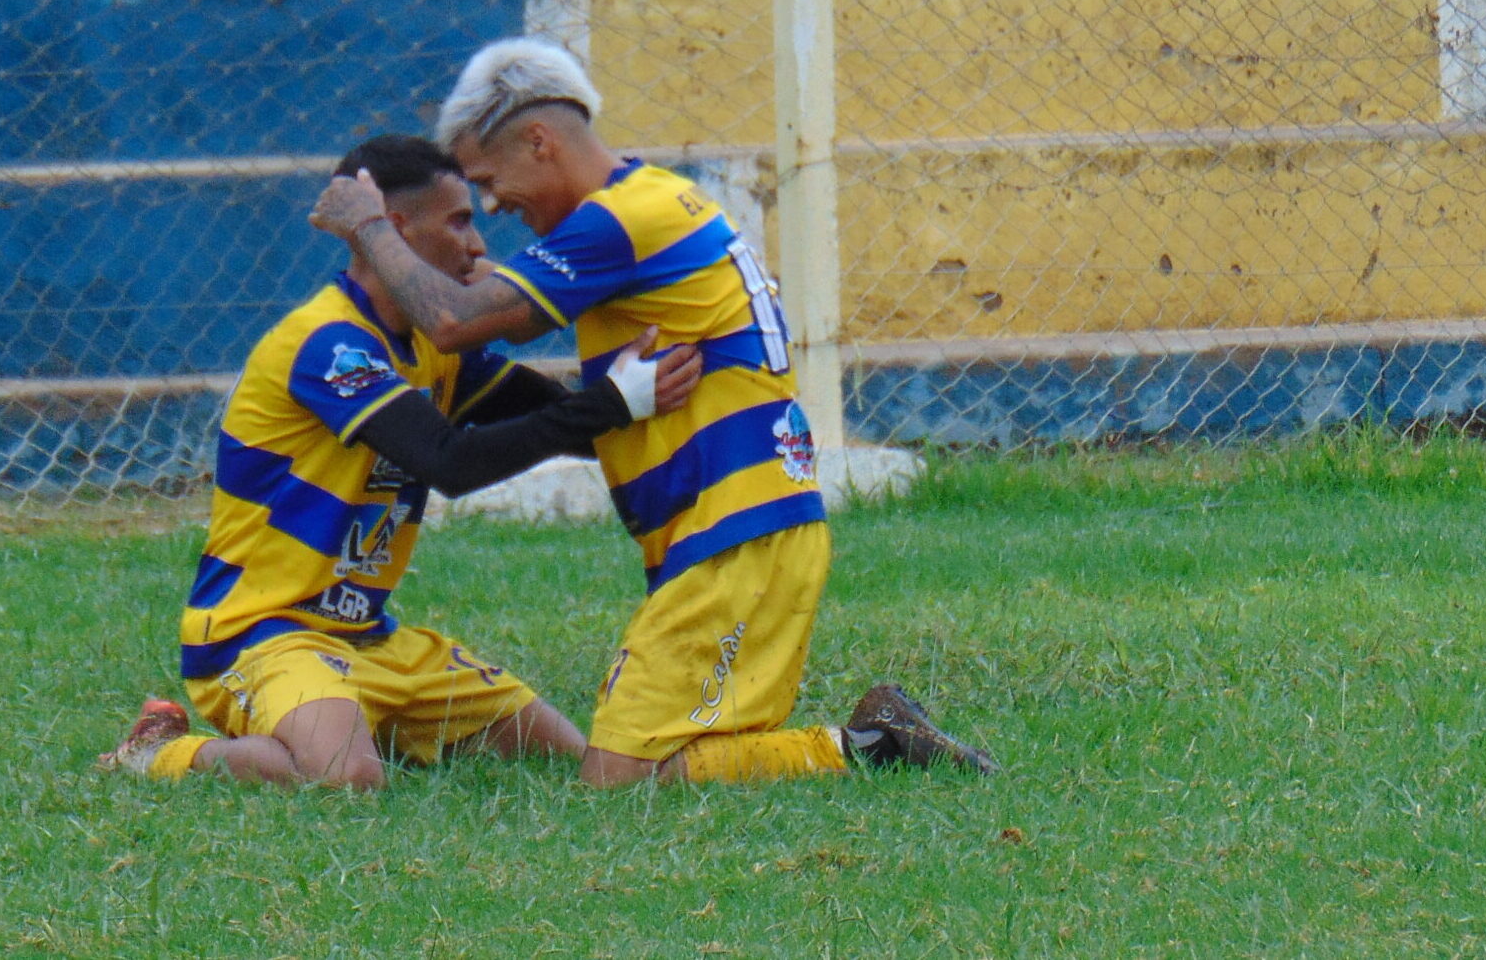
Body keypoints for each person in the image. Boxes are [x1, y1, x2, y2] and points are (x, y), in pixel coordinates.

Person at [308, 39, 994, 787]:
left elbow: (454, 319)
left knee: (618, 777)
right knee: (677, 759)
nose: (495, 206)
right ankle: (868, 742)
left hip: (733, 533)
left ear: (539, 140)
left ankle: (869, 747)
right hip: (748, 526)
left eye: (489, 180)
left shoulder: (620, 221)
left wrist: (370, 227)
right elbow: (524, 357)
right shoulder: (657, 202)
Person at [101, 135, 701, 789]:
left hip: (371, 640)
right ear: (395, 231)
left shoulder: (433, 349)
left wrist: (647, 379)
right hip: (264, 637)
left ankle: (347, 717)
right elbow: (449, 461)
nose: (478, 246)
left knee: (560, 754)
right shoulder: (329, 344)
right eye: (460, 221)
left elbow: (564, 421)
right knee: (346, 780)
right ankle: (158, 753)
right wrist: (612, 403)